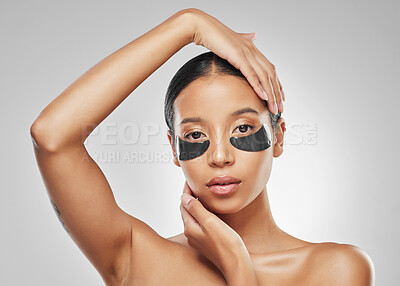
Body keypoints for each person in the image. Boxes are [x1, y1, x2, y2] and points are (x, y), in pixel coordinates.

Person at [30, 8, 374, 286]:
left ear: (278, 137)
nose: (221, 157)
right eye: (195, 136)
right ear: (173, 148)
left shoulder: (336, 271)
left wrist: (238, 266)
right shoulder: (137, 258)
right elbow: (51, 136)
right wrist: (188, 24)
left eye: (242, 128)